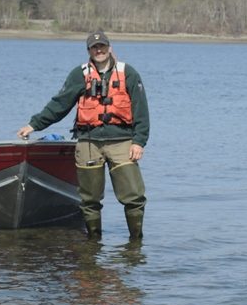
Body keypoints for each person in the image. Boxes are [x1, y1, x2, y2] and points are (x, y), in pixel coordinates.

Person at [18, 29, 150, 240]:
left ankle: (136, 242)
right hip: (89, 143)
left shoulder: (128, 73)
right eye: (94, 47)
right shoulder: (79, 74)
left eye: (102, 46)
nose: (99, 50)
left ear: (109, 48)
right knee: (90, 200)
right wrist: (34, 124)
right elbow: (60, 104)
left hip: (122, 142)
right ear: (89, 51)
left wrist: (139, 142)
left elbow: (141, 110)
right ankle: (93, 242)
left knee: (133, 196)